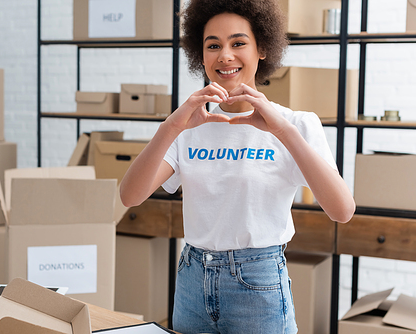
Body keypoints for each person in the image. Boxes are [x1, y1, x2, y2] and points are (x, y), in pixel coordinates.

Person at [120, 0, 356, 333]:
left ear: (261, 49)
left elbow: (342, 210)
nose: (225, 55)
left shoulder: (296, 124)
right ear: (200, 55)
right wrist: (170, 126)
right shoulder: (187, 125)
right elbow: (130, 195)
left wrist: (282, 131)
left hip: (257, 283)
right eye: (212, 45)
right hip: (192, 280)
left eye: (238, 43)